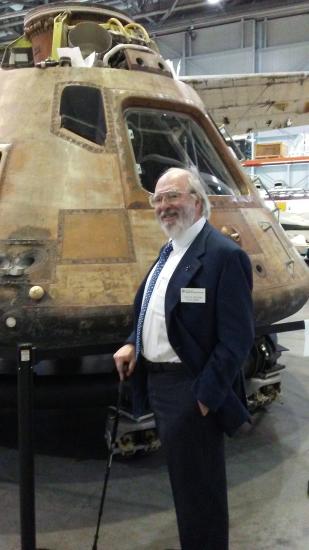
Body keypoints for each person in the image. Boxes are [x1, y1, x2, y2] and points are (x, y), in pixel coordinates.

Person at [113, 167, 254, 550]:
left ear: (197, 199)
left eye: (172, 196)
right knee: (185, 487)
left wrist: (205, 397)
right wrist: (133, 343)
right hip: (160, 385)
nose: (163, 206)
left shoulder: (223, 256)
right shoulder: (170, 250)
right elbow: (153, 308)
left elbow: (237, 337)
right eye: (158, 199)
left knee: (200, 496)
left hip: (191, 391)